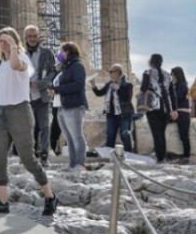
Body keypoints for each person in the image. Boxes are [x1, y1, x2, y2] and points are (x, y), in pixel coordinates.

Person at [0, 28, 58, 216]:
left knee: (27, 158)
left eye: (6, 40)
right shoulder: (0, 64)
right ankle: (2, 201)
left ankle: (50, 196)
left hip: (20, 111)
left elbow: (16, 66)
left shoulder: (23, 59)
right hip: (2, 112)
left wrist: (13, 47)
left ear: (14, 41)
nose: (3, 44)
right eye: (0, 40)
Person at [52, 42, 89, 172]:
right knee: (69, 138)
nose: (58, 54)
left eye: (60, 51)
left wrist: (57, 90)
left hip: (74, 105)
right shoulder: (65, 68)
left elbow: (79, 84)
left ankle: (80, 164)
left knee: (77, 136)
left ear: (67, 52)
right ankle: (72, 164)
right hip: (62, 106)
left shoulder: (77, 66)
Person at [24, 25, 57, 164]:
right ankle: (29, 154)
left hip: (42, 95)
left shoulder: (47, 53)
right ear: (26, 38)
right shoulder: (21, 54)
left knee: (44, 126)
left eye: (34, 36)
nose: (32, 39)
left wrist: (41, 84)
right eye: (29, 36)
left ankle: (44, 154)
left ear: (39, 37)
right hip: (26, 95)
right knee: (28, 126)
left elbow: (52, 72)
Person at [92, 64, 134, 152]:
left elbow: (127, 98)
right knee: (110, 135)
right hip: (111, 115)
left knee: (125, 135)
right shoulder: (109, 84)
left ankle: (129, 154)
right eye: (109, 72)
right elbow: (99, 93)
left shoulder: (127, 85)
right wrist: (93, 85)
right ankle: (109, 155)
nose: (110, 74)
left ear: (118, 72)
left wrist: (118, 89)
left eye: (111, 72)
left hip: (124, 115)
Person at [142, 54, 173, 164]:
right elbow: (172, 94)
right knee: (161, 133)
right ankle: (162, 156)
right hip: (166, 108)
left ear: (151, 61)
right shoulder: (168, 75)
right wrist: (173, 109)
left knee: (156, 133)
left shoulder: (147, 72)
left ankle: (160, 157)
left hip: (153, 107)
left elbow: (143, 88)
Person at [171, 67, 191, 164]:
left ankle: (186, 156)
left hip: (183, 114)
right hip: (178, 113)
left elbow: (176, 99)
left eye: (172, 75)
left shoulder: (182, 86)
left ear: (177, 75)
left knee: (184, 136)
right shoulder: (176, 85)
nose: (171, 77)